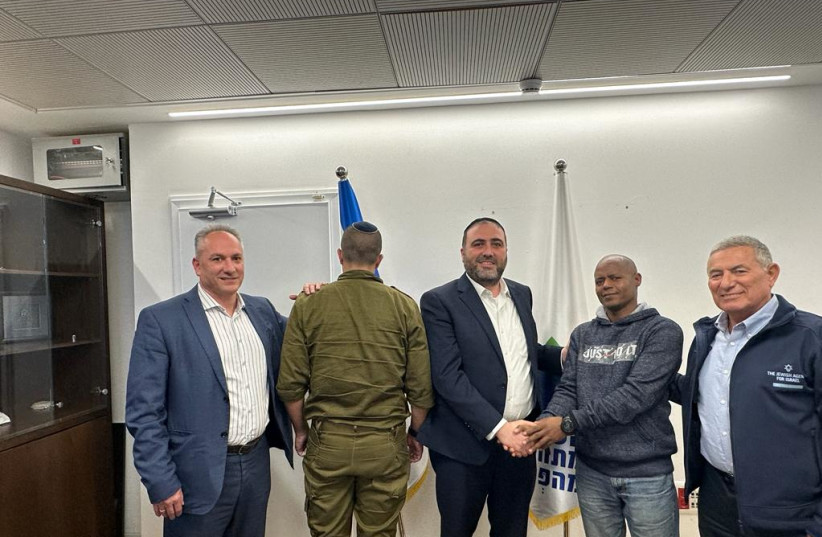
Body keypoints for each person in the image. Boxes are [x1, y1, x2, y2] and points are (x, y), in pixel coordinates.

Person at [126, 224, 293, 537]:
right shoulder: (162, 320)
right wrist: (160, 480)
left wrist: (317, 299)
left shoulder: (263, 311)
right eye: (217, 259)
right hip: (194, 475)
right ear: (197, 265)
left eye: (236, 258)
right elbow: (143, 411)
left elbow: (304, 338)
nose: (229, 268)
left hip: (256, 465)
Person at [277, 221, 434, 537]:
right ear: (379, 260)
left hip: (328, 442)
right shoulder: (404, 307)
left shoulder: (309, 304)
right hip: (385, 444)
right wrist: (415, 432)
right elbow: (420, 389)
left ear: (340, 256)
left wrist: (300, 430)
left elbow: (291, 384)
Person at [417, 217, 563, 537]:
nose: (488, 251)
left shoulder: (521, 295)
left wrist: (562, 356)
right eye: (478, 244)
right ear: (463, 252)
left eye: (496, 243)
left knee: (512, 532)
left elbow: (524, 353)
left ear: (506, 251)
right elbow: (446, 376)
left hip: (520, 445)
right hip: (463, 449)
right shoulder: (439, 301)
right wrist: (499, 429)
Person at [671, 236, 822, 537]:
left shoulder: (811, 337)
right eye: (716, 274)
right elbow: (696, 396)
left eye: (739, 271)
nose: (726, 282)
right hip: (717, 503)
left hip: (790, 512)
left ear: (771, 274)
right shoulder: (705, 339)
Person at [523, 255, 683, 537]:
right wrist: (545, 422)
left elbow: (635, 397)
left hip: (647, 474)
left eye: (615, 278)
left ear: (637, 280)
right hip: (592, 472)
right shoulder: (584, 334)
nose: (606, 285)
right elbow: (569, 388)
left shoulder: (662, 331)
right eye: (599, 280)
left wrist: (565, 424)